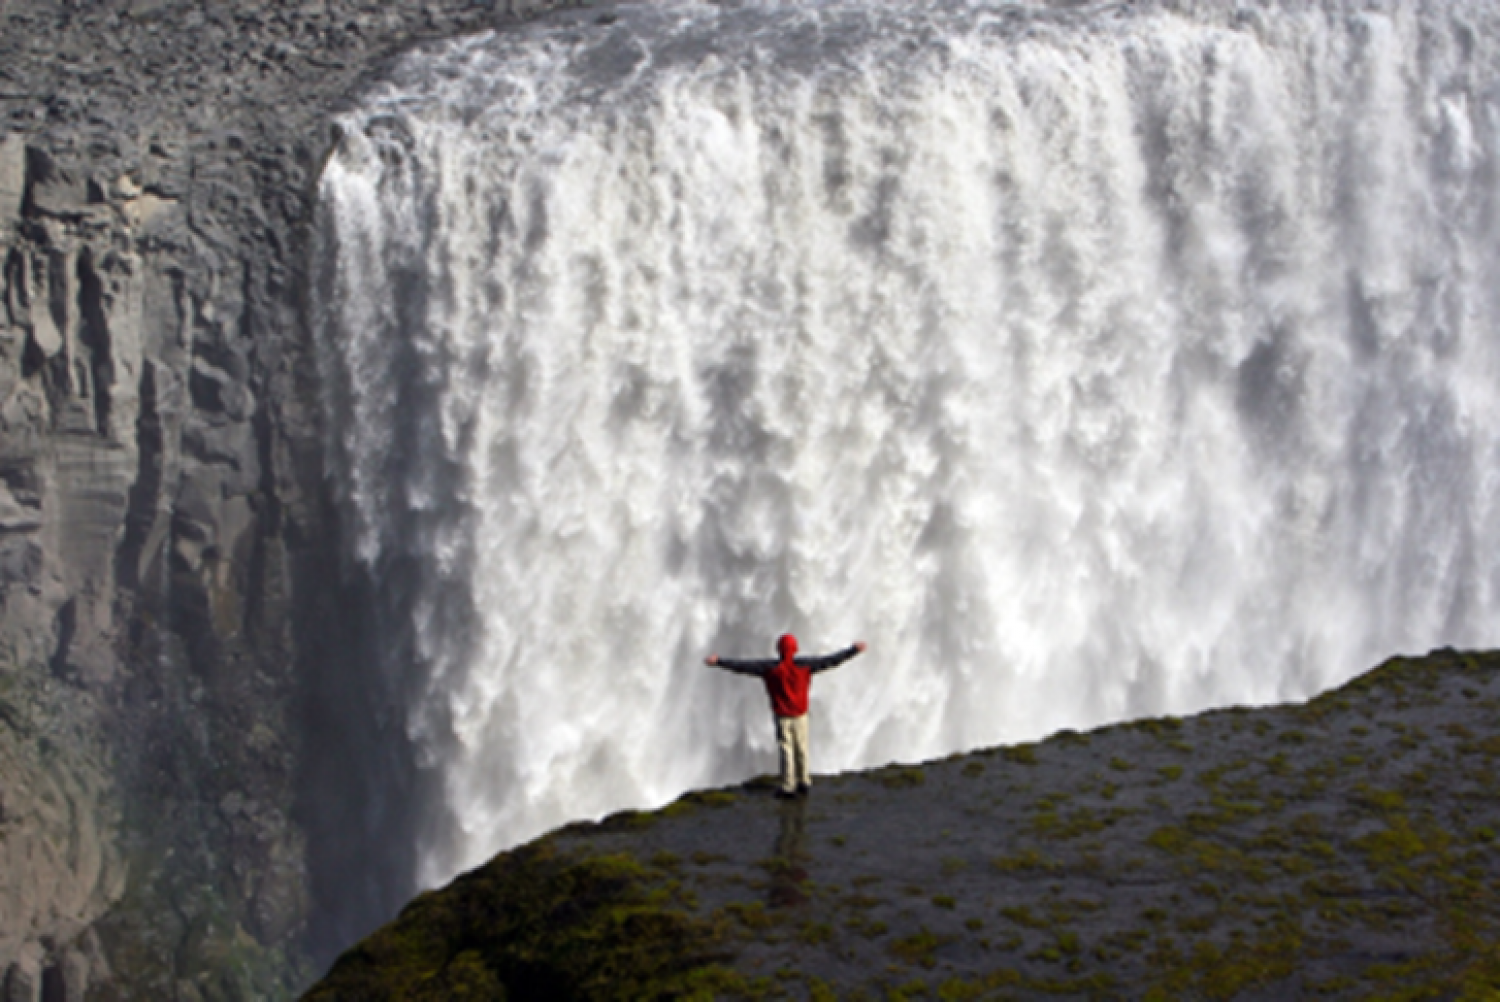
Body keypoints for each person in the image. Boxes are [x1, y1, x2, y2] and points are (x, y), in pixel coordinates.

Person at [705, 634, 866, 799]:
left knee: (786, 750)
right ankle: (804, 781)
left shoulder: (769, 668)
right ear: (795, 649)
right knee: (802, 748)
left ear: (778, 650)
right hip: (801, 715)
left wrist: (719, 661)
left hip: (782, 716)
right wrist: (853, 650)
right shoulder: (806, 665)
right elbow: (830, 660)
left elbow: (744, 666)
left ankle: (789, 786)